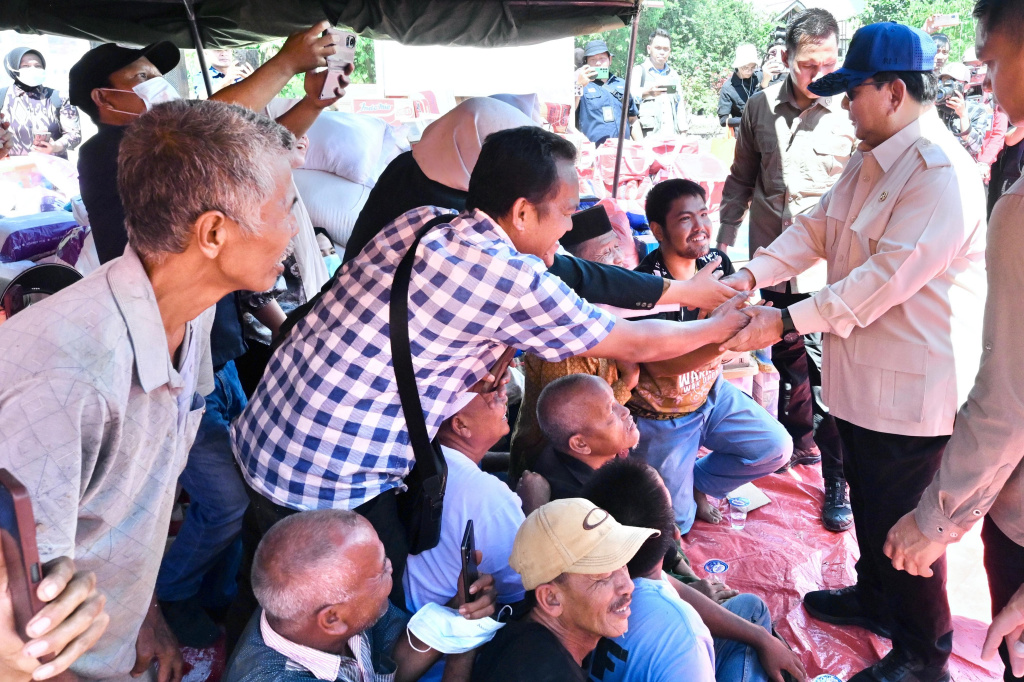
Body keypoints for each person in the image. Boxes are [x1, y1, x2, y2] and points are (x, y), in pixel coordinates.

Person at [231, 124, 750, 611]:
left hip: (264, 431)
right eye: (567, 212)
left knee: (264, 590)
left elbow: (577, 273)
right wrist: (716, 327)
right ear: (522, 213)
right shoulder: (508, 278)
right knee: (361, 606)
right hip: (330, 477)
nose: (571, 225)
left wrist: (683, 291)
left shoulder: (427, 220)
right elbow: (632, 340)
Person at [718, 22, 988, 682]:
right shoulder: (873, 156)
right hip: (862, 379)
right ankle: (874, 599)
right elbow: (815, 229)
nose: (844, 106)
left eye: (853, 92)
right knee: (868, 502)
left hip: (912, 393)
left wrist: (782, 321)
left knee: (905, 527)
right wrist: (749, 274)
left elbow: (880, 281)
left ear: (893, 92)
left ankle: (924, 654)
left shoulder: (939, 174)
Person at [0, 98, 303, 681]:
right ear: (213, 233)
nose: (293, 228)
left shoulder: (193, 314)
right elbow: (18, 638)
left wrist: (146, 613)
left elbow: (127, 509)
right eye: (285, 208)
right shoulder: (70, 383)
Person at [877, 3, 1024, 682]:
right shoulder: (869, 162)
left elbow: (1010, 399)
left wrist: (938, 519)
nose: (985, 80)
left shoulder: (956, 173)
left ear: (891, 92)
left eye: (991, 60)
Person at [341, 97, 736, 319]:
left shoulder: (414, 175)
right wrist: (681, 293)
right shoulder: (462, 228)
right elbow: (573, 282)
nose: (568, 226)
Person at [715, 8, 857, 533]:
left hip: (827, 272)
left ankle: (837, 479)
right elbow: (741, 177)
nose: (819, 75)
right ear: (784, 58)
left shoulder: (851, 109)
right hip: (771, 261)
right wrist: (725, 236)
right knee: (785, 358)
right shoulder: (759, 106)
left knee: (828, 376)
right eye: (807, 65)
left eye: (829, 63)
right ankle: (799, 443)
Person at [632, 179, 791, 533]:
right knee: (676, 524)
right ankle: (680, 489)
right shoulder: (645, 287)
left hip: (710, 393)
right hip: (663, 413)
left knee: (776, 447)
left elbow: (739, 322)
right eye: (685, 219)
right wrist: (723, 341)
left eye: (703, 214)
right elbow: (661, 367)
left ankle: (699, 483)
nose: (700, 227)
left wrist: (743, 332)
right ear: (657, 230)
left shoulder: (717, 263)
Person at [583, 458, 799, 682]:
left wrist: (761, 637)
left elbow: (671, 585)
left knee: (751, 608)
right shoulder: (687, 636)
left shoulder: (591, 576)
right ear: (674, 534)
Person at [225, 509, 495, 682]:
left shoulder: (319, 612)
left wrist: (461, 611)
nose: (390, 567)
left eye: (383, 557)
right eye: (379, 572)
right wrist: (465, 648)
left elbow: (394, 662)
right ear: (332, 619)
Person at [509, 206, 641, 475]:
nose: (620, 259)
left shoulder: (609, 312)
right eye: (606, 253)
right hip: (553, 466)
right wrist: (627, 382)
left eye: (617, 247)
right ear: (579, 272)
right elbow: (574, 420)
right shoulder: (565, 336)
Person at [469, 498, 657, 681]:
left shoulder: (523, 627)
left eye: (623, 563)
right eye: (603, 575)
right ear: (551, 598)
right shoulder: (548, 673)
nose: (628, 586)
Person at [404, 388, 527, 613]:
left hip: (407, 607)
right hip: (445, 623)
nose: (503, 396)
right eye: (490, 395)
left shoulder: (412, 457)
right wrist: (535, 505)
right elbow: (523, 588)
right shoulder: (491, 496)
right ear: (460, 425)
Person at [532, 374, 640, 501]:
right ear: (580, 444)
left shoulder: (600, 453)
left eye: (615, 400)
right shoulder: (581, 502)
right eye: (611, 410)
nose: (625, 411)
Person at [1, 48, 81, 158]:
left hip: (53, 166)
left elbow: (74, 134)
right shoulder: (2, 97)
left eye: (38, 66)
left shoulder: (60, 97)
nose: (33, 69)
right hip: (13, 167)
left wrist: (55, 146)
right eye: (25, 66)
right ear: (13, 69)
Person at [574, 39, 641, 146]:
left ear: (610, 60)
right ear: (586, 63)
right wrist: (579, 85)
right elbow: (569, 112)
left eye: (602, 58)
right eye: (593, 59)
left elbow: (632, 118)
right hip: (594, 151)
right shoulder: (581, 85)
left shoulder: (622, 84)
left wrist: (641, 145)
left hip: (622, 150)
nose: (598, 63)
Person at [630, 28, 688, 138]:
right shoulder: (639, 72)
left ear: (669, 51)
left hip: (672, 137)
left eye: (666, 49)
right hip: (647, 138)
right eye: (658, 48)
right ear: (649, 49)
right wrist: (648, 93)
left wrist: (683, 134)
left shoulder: (673, 75)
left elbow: (679, 106)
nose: (662, 52)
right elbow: (629, 100)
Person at [936, 62, 988, 159]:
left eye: (953, 81)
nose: (947, 85)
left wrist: (963, 115)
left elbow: (975, 146)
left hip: (960, 162)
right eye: (945, 80)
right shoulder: (933, 106)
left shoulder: (976, 110)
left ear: (966, 86)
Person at [718, 44, 762, 130]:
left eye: (753, 67)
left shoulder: (760, 77)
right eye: (745, 67)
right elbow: (723, 120)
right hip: (742, 132)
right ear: (738, 66)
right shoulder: (728, 88)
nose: (749, 71)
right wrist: (745, 121)